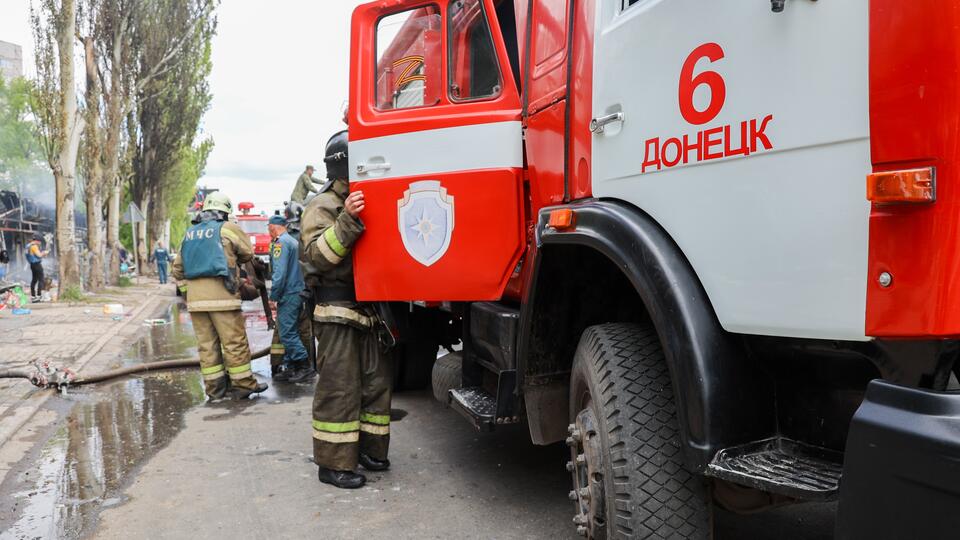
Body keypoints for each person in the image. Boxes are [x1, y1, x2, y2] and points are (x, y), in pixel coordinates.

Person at [301, 130, 391, 489]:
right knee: (340, 388)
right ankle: (333, 464)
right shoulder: (321, 206)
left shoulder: (368, 198)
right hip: (337, 309)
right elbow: (316, 259)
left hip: (370, 308)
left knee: (376, 385)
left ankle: (370, 450)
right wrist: (347, 220)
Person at [171, 192, 268, 401]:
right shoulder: (228, 228)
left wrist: (190, 293)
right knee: (234, 343)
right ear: (224, 212)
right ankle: (243, 384)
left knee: (207, 346)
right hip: (223, 297)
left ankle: (215, 390)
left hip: (196, 303)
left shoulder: (190, 233)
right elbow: (247, 254)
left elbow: (177, 269)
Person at [268, 214, 312, 382]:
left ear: (273, 227)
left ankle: (304, 366)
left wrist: (274, 296)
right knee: (293, 329)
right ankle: (292, 366)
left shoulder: (281, 243)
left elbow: (279, 273)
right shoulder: (293, 242)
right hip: (298, 291)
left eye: (268, 228)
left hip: (289, 293)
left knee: (286, 332)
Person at [25, 235, 49, 302]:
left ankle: (33, 296)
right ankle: (39, 296)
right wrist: (45, 253)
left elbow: (29, 256)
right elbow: (39, 255)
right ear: (37, 241)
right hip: (37, 265)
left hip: (32, 265)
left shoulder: (27, 246)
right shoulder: (34, 246)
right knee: (41, 280)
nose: (40, 243)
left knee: (34, 280)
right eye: (40, 242)